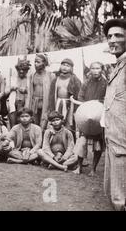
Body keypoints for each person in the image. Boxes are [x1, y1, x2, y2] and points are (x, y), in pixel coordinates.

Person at [102, 18, 126, 211]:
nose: (112, 40)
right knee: (115, 194)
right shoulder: (118, 66)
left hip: (123, 140)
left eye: (118, 35)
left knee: (121, 199)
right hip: (114, 137)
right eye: (109, 36)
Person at [70, 62, 107, 176]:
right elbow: (80, 96)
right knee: (82, 142)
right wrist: (86, 105)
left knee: (98, 144)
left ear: (101, 69)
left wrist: (98, 104)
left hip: (99, 114)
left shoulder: (105, 83)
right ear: (89, 70)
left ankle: (93, 169)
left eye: (98, 68)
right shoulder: (86, 82)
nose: (95, 71)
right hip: (86, 114)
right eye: (93, 68)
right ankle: (79, 167)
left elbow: (107, 97)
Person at [48, 59, 82, 134]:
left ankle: (69, 142)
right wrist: (51, 108)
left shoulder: (75, 80)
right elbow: (51, 95)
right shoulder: (55, 80)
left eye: (67, 66)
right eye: (63, 65)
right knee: (57, 122)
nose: (65, 67)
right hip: (58, 104)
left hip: (70, 105)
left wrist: (76, 110)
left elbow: (79, 95)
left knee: (69, 125)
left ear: (71, 68)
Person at [25, 54, 55, 130]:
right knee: (35, 123)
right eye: (35, 62)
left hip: (45, 103)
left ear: (44, 63)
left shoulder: (50, 75)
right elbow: (30, 91)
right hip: (34, 103)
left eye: (38, 62)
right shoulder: (32, 75)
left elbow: (53, 93)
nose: (35, 64)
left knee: (44, 122)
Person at [7, 57, 31, 128]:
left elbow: (31, 92)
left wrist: (26, 90)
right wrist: (11, 88)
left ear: (26, 71)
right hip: (13, 103)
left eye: (23, 70)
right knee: (13, 123)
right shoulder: (12, 79)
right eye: (19, 70)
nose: (21, 72)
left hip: (24, 103)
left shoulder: (29, 80)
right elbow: (5, 92)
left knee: (23, 123)